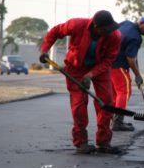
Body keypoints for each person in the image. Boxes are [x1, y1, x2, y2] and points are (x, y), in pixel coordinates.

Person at [39, 10, 121, 154]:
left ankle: (103, 142)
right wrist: (45, 49)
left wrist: (91, 74)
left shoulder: (115, 36)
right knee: (79, 105)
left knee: (106, 102)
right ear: (97, 27)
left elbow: (109, 60)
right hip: (75, 69)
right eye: (106, 30)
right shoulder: (76, 25)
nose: (110, 32)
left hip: (99, 68)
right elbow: (55, 32)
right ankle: (81, 143)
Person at [110, 15, 144, 131]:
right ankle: (118, 122)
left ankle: (112, 118)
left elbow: (133, 56)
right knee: (124, 91)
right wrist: (138, 75)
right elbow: (130, 59)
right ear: (141, 23)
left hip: (108, 63)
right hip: (118, 65)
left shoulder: (125, 23)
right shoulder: (135, 38)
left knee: (115, 93)